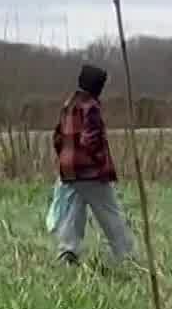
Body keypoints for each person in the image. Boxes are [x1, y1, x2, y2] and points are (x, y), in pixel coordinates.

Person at [50, 64, 136, 265]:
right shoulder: (91, 106)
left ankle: (67, 253)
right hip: (90, 172)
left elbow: (57, 137)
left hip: (69, 172)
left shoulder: (68, 104)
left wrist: (65, 160)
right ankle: (127, 257)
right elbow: (91, 141)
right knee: (110, 213)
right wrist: (100, 163)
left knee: (73, 212)